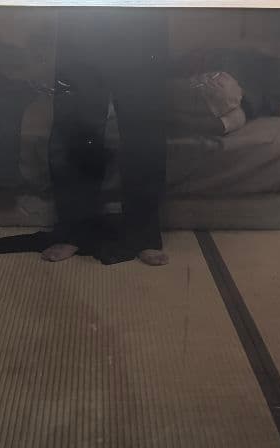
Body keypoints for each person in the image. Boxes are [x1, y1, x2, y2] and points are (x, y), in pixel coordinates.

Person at [42, 9, 170, 266]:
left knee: (144, 123)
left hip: (142, 16)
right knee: (76, 121)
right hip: (82, 15)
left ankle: (144, 235)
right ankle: (74, 230)